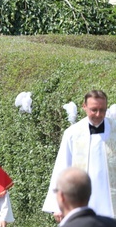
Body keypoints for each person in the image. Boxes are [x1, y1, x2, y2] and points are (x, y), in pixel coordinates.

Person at [43, 90, 116, 220]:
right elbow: (62, 167)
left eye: (102, 110)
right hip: (82, 199)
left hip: (111, 200)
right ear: (84, 107)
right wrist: (57, 205)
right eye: (94, 110)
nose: (99, 114)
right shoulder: (73, 133)